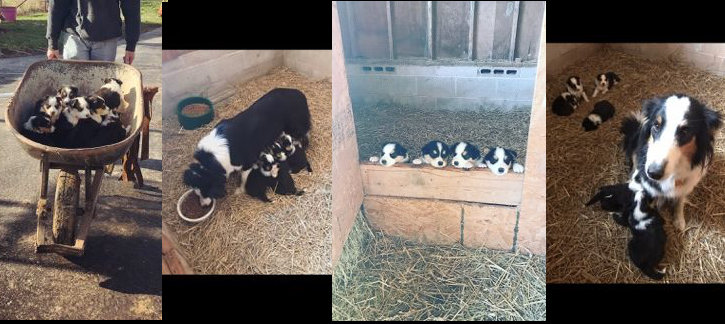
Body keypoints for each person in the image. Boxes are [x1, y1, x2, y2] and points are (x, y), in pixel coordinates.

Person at [46, 0, 140, 64]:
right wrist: (52, 43)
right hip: (74, 36)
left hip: (106, 39)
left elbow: (132, 8)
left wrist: (131, 46)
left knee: (102, 86)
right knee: (74, 85)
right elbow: (57, 6)